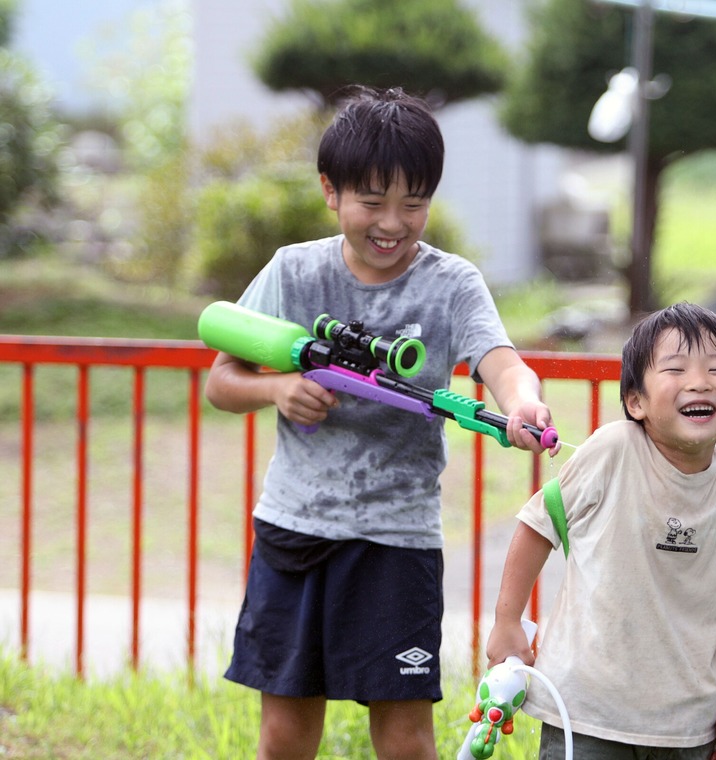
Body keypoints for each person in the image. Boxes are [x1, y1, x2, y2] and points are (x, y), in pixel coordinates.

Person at [204, 85, 557, 760]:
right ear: (330, 191)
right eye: (372, 201)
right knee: (283, 734)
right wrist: (279, 388)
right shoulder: (293, 272)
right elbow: (222, 380)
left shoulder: (452, 284)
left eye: (414, 203)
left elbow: (503, 364)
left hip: (398, 542)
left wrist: (522, 403)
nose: (393, 222)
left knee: (404, 738)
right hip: (295, 530)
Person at [485, 302, 716, 760]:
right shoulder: (614, 448)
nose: (699, 381)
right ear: (636, 402)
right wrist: (508, 623)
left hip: (689, 724)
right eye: (675, 368)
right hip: (585, 713)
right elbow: (538, 527)